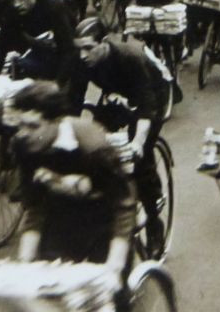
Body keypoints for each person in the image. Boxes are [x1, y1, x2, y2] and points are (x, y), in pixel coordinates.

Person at [8, 81, 138, 280]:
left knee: (109, 289)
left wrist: (115, 264)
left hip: (104, 216)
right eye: (20, 125)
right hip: (61, 215)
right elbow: (35, 205)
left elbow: (123, 203)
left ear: (57, 121)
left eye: (33, 126)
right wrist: (24, 263)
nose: (24, 133)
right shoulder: (23, 144)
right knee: (47, 286)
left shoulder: (93, 147)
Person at [69, 28, 174, 256]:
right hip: (118, 95)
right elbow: (82, 101)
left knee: (140, 157)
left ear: (104, 43)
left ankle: (155, 225)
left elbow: (147, 106)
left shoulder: (130, 57)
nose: (83, 55)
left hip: (153, 95)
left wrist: (137, 142)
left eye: (89, 48)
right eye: (79, 49)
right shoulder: (83, 62)